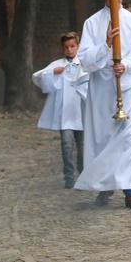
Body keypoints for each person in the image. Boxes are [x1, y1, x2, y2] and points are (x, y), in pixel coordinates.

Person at [73, 0, 131, 209]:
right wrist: (106, 45)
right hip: (102, 89)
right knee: (103, 138)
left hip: (126, 88)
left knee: (128, 139)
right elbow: (85, 59)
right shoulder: (92, 23)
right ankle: (104, 185)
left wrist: (125, 64)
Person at [32, 32, 84, 188]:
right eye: (66, 47)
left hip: (81, 111)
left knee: (82, 146)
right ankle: (68, 176)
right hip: (65, 114)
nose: (69, 50)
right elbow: (37, 77)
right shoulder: (57, 64)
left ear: (78, 46)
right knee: (67, 145)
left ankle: (83, 174)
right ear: (62, 48)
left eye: (72, 46)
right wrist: (52, 73)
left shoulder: (84, 63)